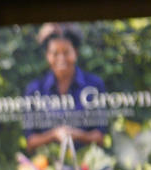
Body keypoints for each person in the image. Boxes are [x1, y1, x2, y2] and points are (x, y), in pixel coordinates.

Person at [23, 23, 106, 153]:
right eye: (55, 53)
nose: (61, 59)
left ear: (76, 53)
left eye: (66, 52)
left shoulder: (94, 85)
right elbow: (30, 143)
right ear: (47, 56)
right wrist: (53, 134)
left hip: (86, 167)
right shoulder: (34, 90)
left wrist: (76, 134)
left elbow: (100, 138)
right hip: (48, 168)